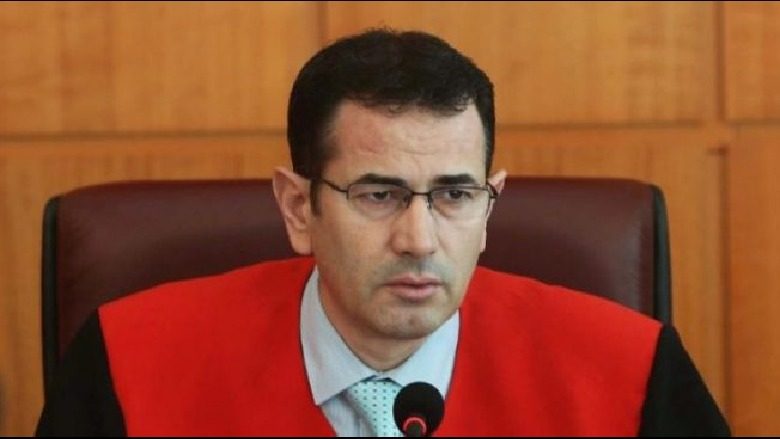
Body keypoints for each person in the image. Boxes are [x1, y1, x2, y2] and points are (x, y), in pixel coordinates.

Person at [36, 29, 730, 437]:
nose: (419, 239)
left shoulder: (632, 374)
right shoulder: (127, 365)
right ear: (298, 207)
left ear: (490, 205)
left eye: (455, 195)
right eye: (378, 194)